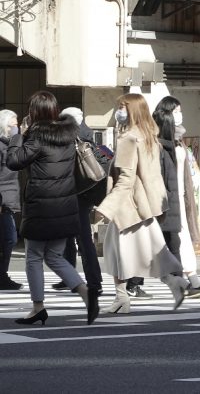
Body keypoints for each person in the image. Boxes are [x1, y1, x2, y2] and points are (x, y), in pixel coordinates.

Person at [5, 91, 97, 325]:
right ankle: (87, 293)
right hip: (65, 205)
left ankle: (38, 307)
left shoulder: (36, 136)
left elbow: (14, 161)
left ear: (34, 112)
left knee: (34, 257)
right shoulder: (68, 134)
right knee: (54, 255)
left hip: (41, 206)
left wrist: (19, 135)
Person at [95, 94, 189, 315]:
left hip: (127, 207)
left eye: (122, 107)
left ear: (132, 111)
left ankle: (123, 297)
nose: (119, 111)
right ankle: (175, 284)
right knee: (145, 254)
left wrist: (105, 208)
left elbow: (125, 180)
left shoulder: (128, 138)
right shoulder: (148, 137)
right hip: (145, 205)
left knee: (120, 254)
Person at [154, 97, 200, 299]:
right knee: (172, 244)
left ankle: (192, 283)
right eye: (175, 111)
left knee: (180, 243)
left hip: (181, 198)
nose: (179, 115)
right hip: (169, 200)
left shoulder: (177, 139)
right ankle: (130, 287)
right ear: (166, 113)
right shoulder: (159, 141)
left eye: (180, 111)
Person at [53, 107, 105, 298]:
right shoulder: (86, 134)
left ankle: (93, 281)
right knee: (73, 238)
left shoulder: (77, 135)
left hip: (76, 194)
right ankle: (73, 278)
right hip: (81, 193)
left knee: (82, 239)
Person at [0, 109, 23, 290]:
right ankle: (2, 276)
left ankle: (2, 275)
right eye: (13, 125)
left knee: (8, 239)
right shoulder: (2, 146)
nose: (16, 128)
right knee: (9, 238)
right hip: (3, 200)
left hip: (9, 198)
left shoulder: (11, 145)